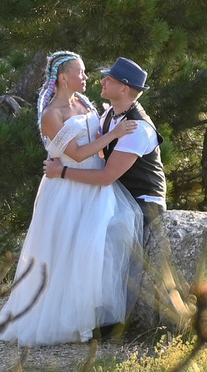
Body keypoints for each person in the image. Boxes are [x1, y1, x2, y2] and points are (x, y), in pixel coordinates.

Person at [0, 51, 142, 345]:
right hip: (66, 188)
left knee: (90, 250)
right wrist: (114, 134)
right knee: (63, 251)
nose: (87, 77)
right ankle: (58, 321)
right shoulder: (52, 115)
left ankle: (88, 320)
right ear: (64, 78)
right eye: (81, 72)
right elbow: (75, 153)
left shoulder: (83, 104)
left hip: (92, 185)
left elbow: (95, 146)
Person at [43, 56, 165, 334]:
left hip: (143, 201)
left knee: (104, 239)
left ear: (123, 88)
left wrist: (61, 173)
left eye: (108, 79)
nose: (102, 81)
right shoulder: (109, 115)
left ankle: (113, 324)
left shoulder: (138, 128)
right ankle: (85, 315)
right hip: (118, 196)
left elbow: (106, 175)